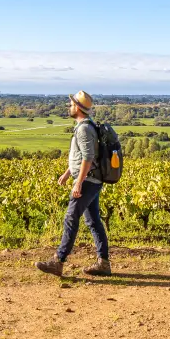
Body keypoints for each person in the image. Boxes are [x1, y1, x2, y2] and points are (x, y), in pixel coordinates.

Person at [36, 90, 111, 277]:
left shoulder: (84, 129)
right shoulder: (86, 126)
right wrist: (68, 173)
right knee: (93, 221)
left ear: (77, 108)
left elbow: (88, 157)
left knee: (71, 217)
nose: (69, 107)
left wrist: (78, 182)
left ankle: (58, 261)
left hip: (87, 181)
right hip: (92, 179)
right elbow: (80, 156)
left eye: (71, 105)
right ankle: (103, 263)